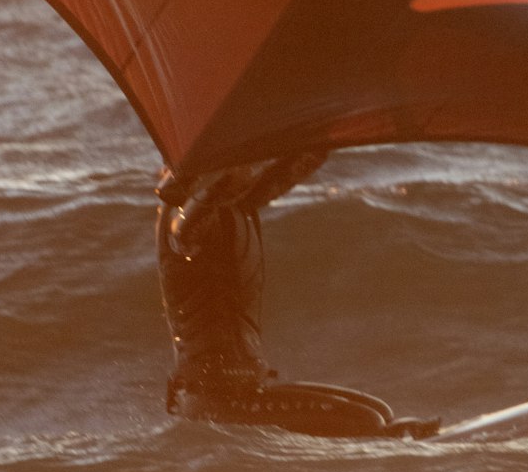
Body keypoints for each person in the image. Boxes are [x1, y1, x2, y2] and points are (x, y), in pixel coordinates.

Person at [155, 155, 439, 438]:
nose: (251, 171)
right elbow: (185, 228)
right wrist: (221, 179)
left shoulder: (236, 208)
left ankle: (394, 439)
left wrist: (322, 138)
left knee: (377, 410)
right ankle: (394, 444)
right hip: (214, 401)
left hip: (244, 390)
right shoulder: (181, 223)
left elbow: (279, 177)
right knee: (366, 421)